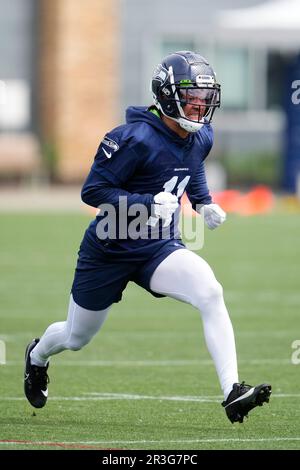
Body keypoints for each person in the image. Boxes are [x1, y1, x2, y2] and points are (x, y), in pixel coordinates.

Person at [24, 51, 271, 423]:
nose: (199, 108)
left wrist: (203, 203)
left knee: (209, 291)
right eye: (191, 99)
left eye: (205, 100)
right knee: (76, 337)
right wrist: (143, 201)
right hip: (110, 248)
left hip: (157, 246)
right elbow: (92, 191)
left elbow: (192, 167)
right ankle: (37, 356)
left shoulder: (200, 134)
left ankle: (232, 391)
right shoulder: (133, 138)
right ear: (167, 96)